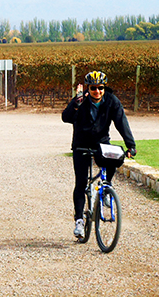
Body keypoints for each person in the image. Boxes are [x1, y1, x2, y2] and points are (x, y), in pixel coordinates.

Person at [62, 71, 136, 239]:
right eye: (93, 88)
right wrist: (75, 103)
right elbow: (66, 118)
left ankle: (106, 187)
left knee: (114, 157)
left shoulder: (111, 101)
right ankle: (79, 220)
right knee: (81, 182)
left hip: (101, 142)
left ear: (105, 88)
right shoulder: (81, 101)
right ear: (89, 88)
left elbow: (121, 122)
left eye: (100, 88)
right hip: (81, 144)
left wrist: (131, 145)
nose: (97, 91)